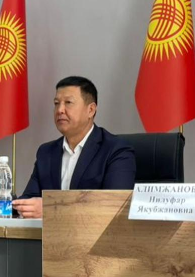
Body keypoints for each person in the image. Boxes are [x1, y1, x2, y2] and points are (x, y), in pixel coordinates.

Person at [13, 76, 136, 218]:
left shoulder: (116, 150)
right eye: (56, 103)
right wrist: (12, 204)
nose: (60, 110)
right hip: (47, 233)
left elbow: (114, 205)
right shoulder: (46, 152)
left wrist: (50, 209)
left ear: (91, 110)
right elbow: (30, 198)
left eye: (68, 103)